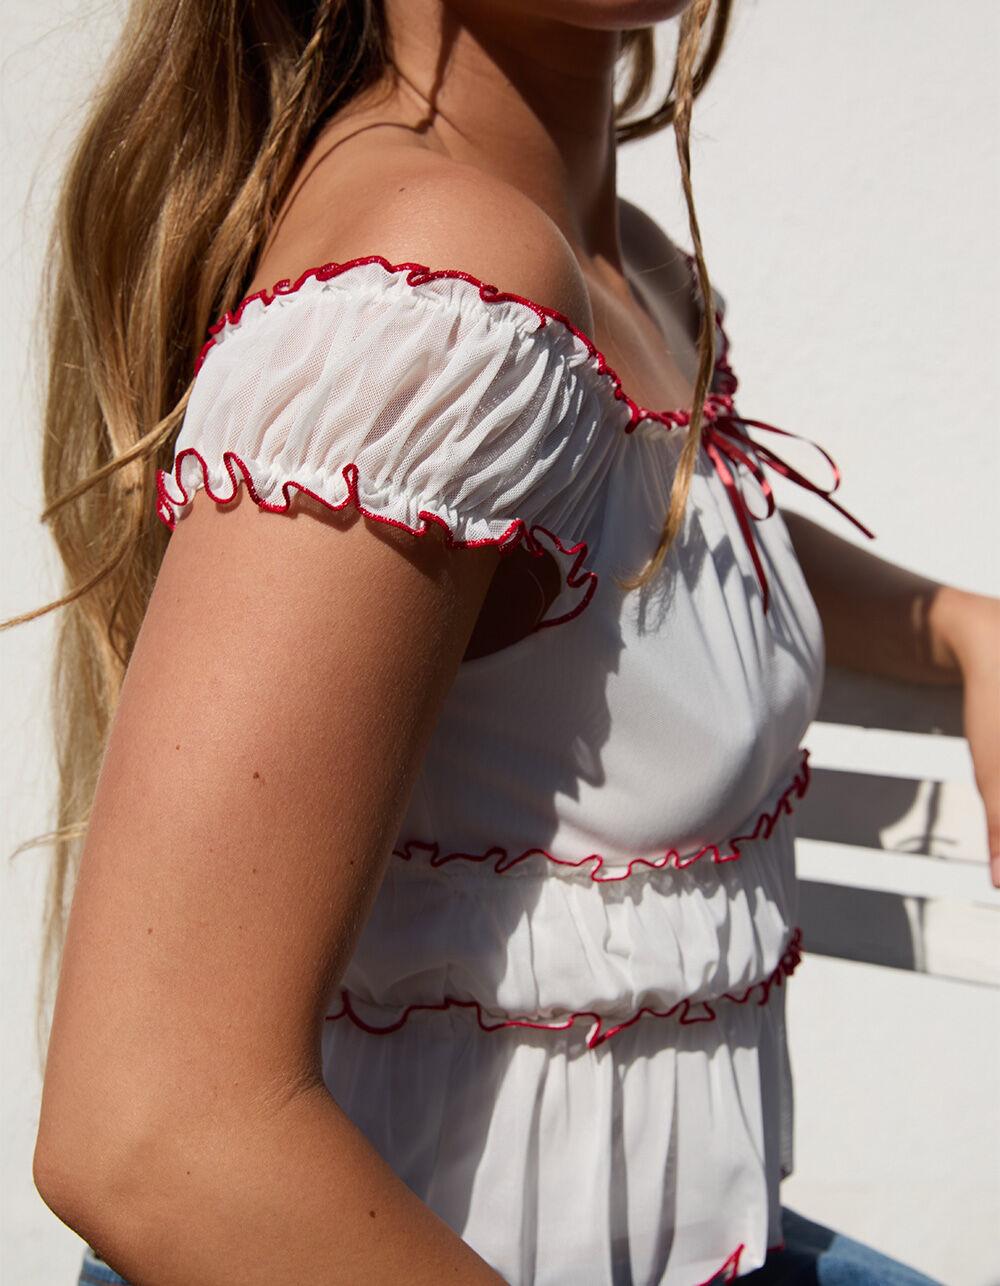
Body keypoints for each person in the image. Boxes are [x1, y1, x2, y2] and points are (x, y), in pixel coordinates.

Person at [11, 0, 996, 1282]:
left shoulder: (621, 267)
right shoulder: (444, 279)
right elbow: (153, 1136)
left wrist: (956, 623)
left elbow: (668, 545)